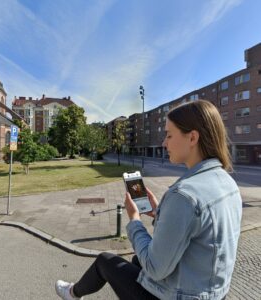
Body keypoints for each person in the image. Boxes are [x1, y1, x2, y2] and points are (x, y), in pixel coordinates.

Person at [55, 100, 242, 300]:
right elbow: (199, 234)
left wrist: (135, 220)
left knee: (105, 261)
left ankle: (72, 293)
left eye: (169, 135)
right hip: (212, 292)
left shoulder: (184, 195)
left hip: (178, 295)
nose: (164, 143)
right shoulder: (228, 183)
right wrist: (159, 214)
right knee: (136, 261)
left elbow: (154, 268)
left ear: (193, 137)